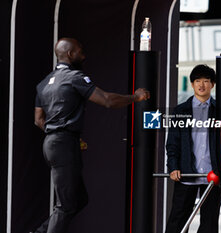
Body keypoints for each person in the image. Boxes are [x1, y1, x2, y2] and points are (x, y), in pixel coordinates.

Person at [33, 38, 150, 233]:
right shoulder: (74, 77)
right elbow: (107, 100)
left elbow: (38, 119)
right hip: (63, 144)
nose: (84, 55)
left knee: (79, 199)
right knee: (66, 205)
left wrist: (59, 134)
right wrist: (136, 97)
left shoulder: (44, 83)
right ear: (70, 55)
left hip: (53, 143)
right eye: (81, 51)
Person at [165, 64, 221, 233]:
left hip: (213, 174)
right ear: (192, 84)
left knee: (210, 223)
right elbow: (173, 142)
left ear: (213, 84)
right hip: (186, 172)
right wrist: (173, 166)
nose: (201, 85)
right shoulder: (180, 110)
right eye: (197, 81)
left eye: (206, 81)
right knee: (178, 220)